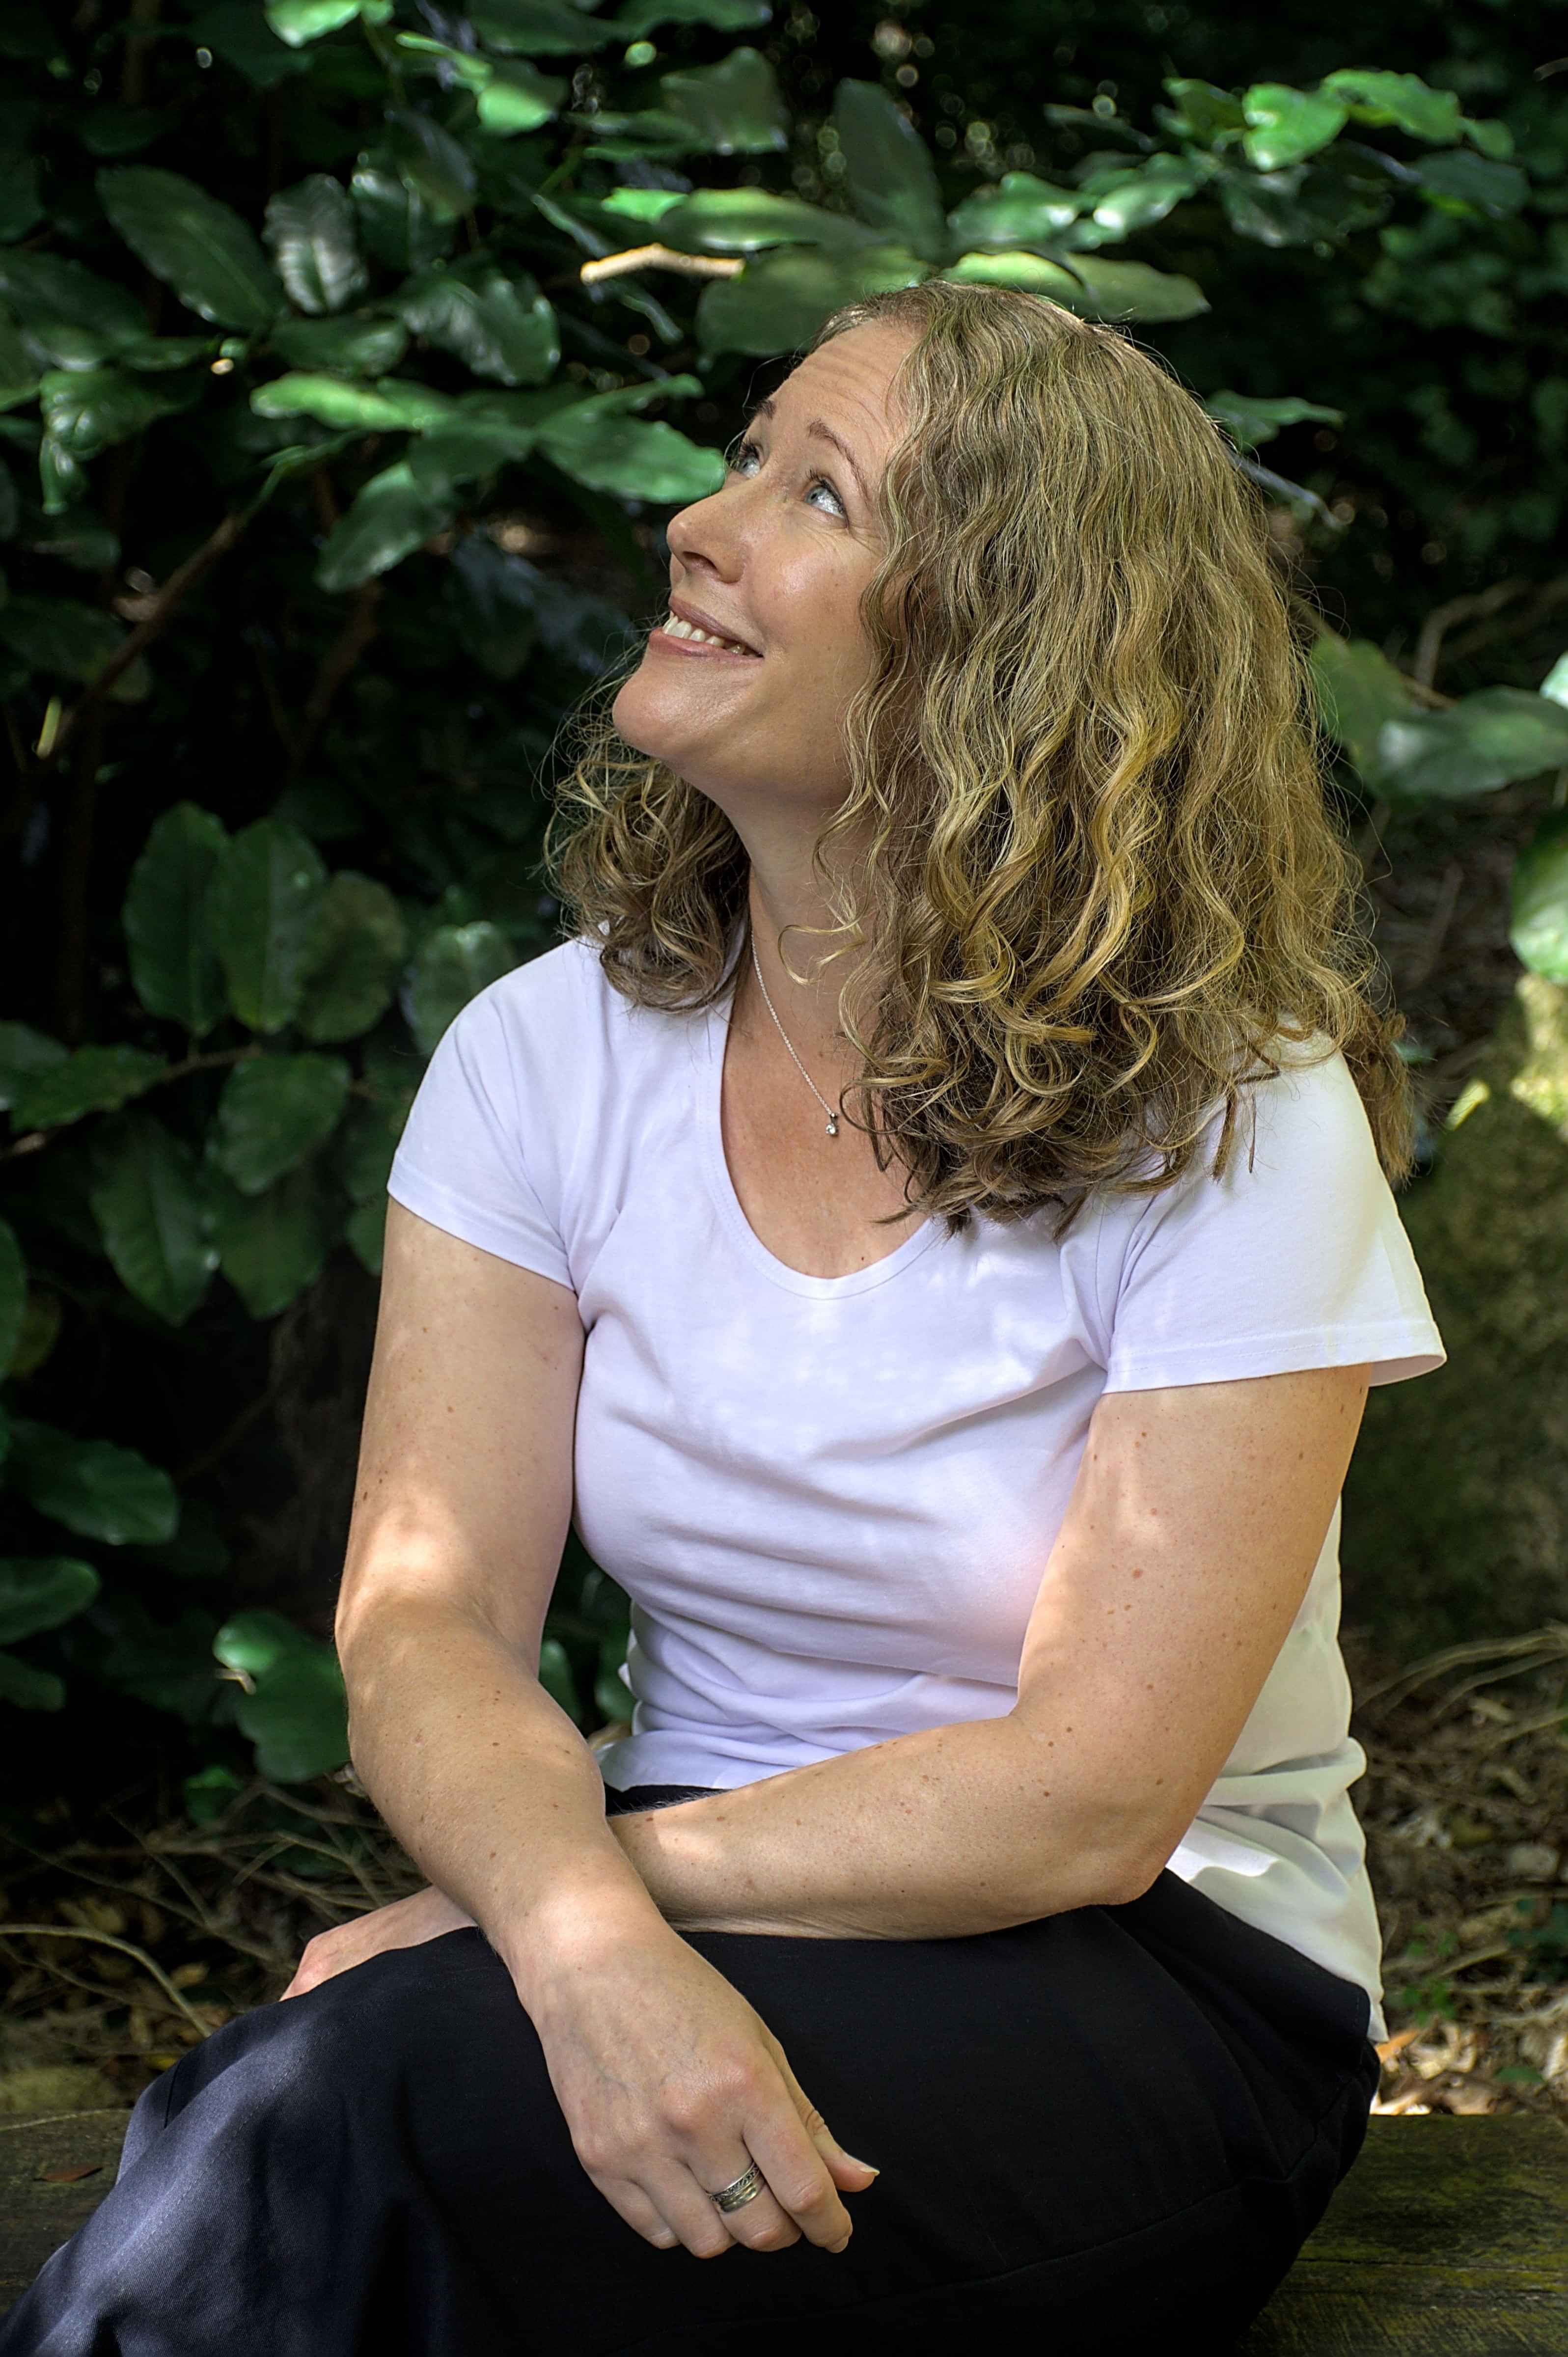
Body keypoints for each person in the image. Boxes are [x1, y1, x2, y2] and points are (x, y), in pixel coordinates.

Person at [0, 282, 1445, 2357]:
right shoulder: (543, 1060)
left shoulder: (1229, 1107)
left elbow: (1093, 1794)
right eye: (747, 451)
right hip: (679, 1891)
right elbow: (419, 1620)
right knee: (306, 2137)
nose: (701, 518)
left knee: (347, 2115)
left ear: (1002, 651)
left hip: (1154, 1977)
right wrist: (571, 1926)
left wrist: (559, 1917)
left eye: (820, 490)